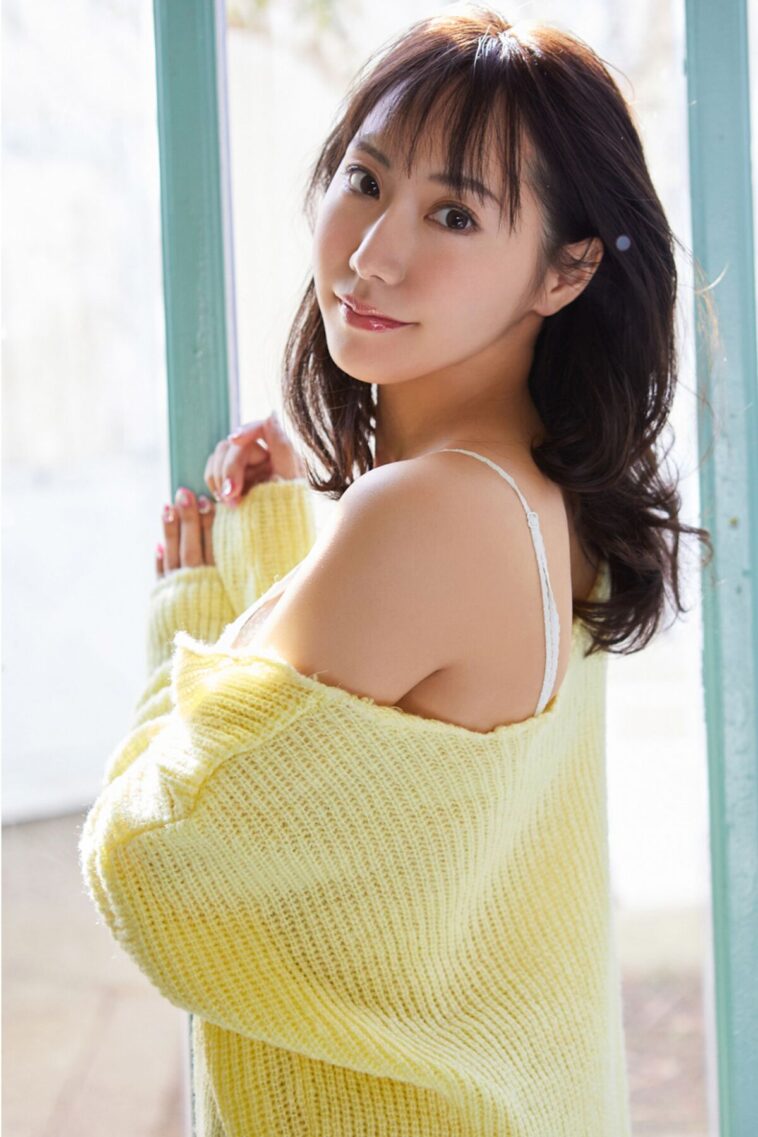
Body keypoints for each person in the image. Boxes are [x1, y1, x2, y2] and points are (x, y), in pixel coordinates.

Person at [79, 5, 714, 1134]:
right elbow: (386, 836)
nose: (372, 253)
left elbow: (151, 863)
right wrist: (280, 560)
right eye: (364, 180)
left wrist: (195, 611)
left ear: (565, 271)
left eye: (453, 214)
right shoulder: (551, 496)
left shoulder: (429, 512)